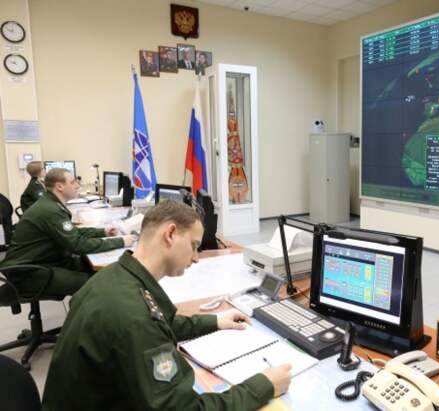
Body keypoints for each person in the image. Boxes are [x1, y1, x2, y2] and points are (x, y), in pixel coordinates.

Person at [42, 201, 292, 410]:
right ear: (171, 234)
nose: (196, 257)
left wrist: (216, 321)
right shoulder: (134, 316)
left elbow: (161, 323)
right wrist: (264, 385)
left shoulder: (116, 276)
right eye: (194, 245)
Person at [0, 168, 135, 298]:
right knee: (96, 284)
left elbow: (72, 231)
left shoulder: (50, 203)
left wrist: (103, 232)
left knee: (97, 270)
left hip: (44, 260)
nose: (77, 185)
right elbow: (78, 245)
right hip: (28, 272)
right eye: (73, 182)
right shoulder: (50, 210)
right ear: (60, 186)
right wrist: (121, 241)